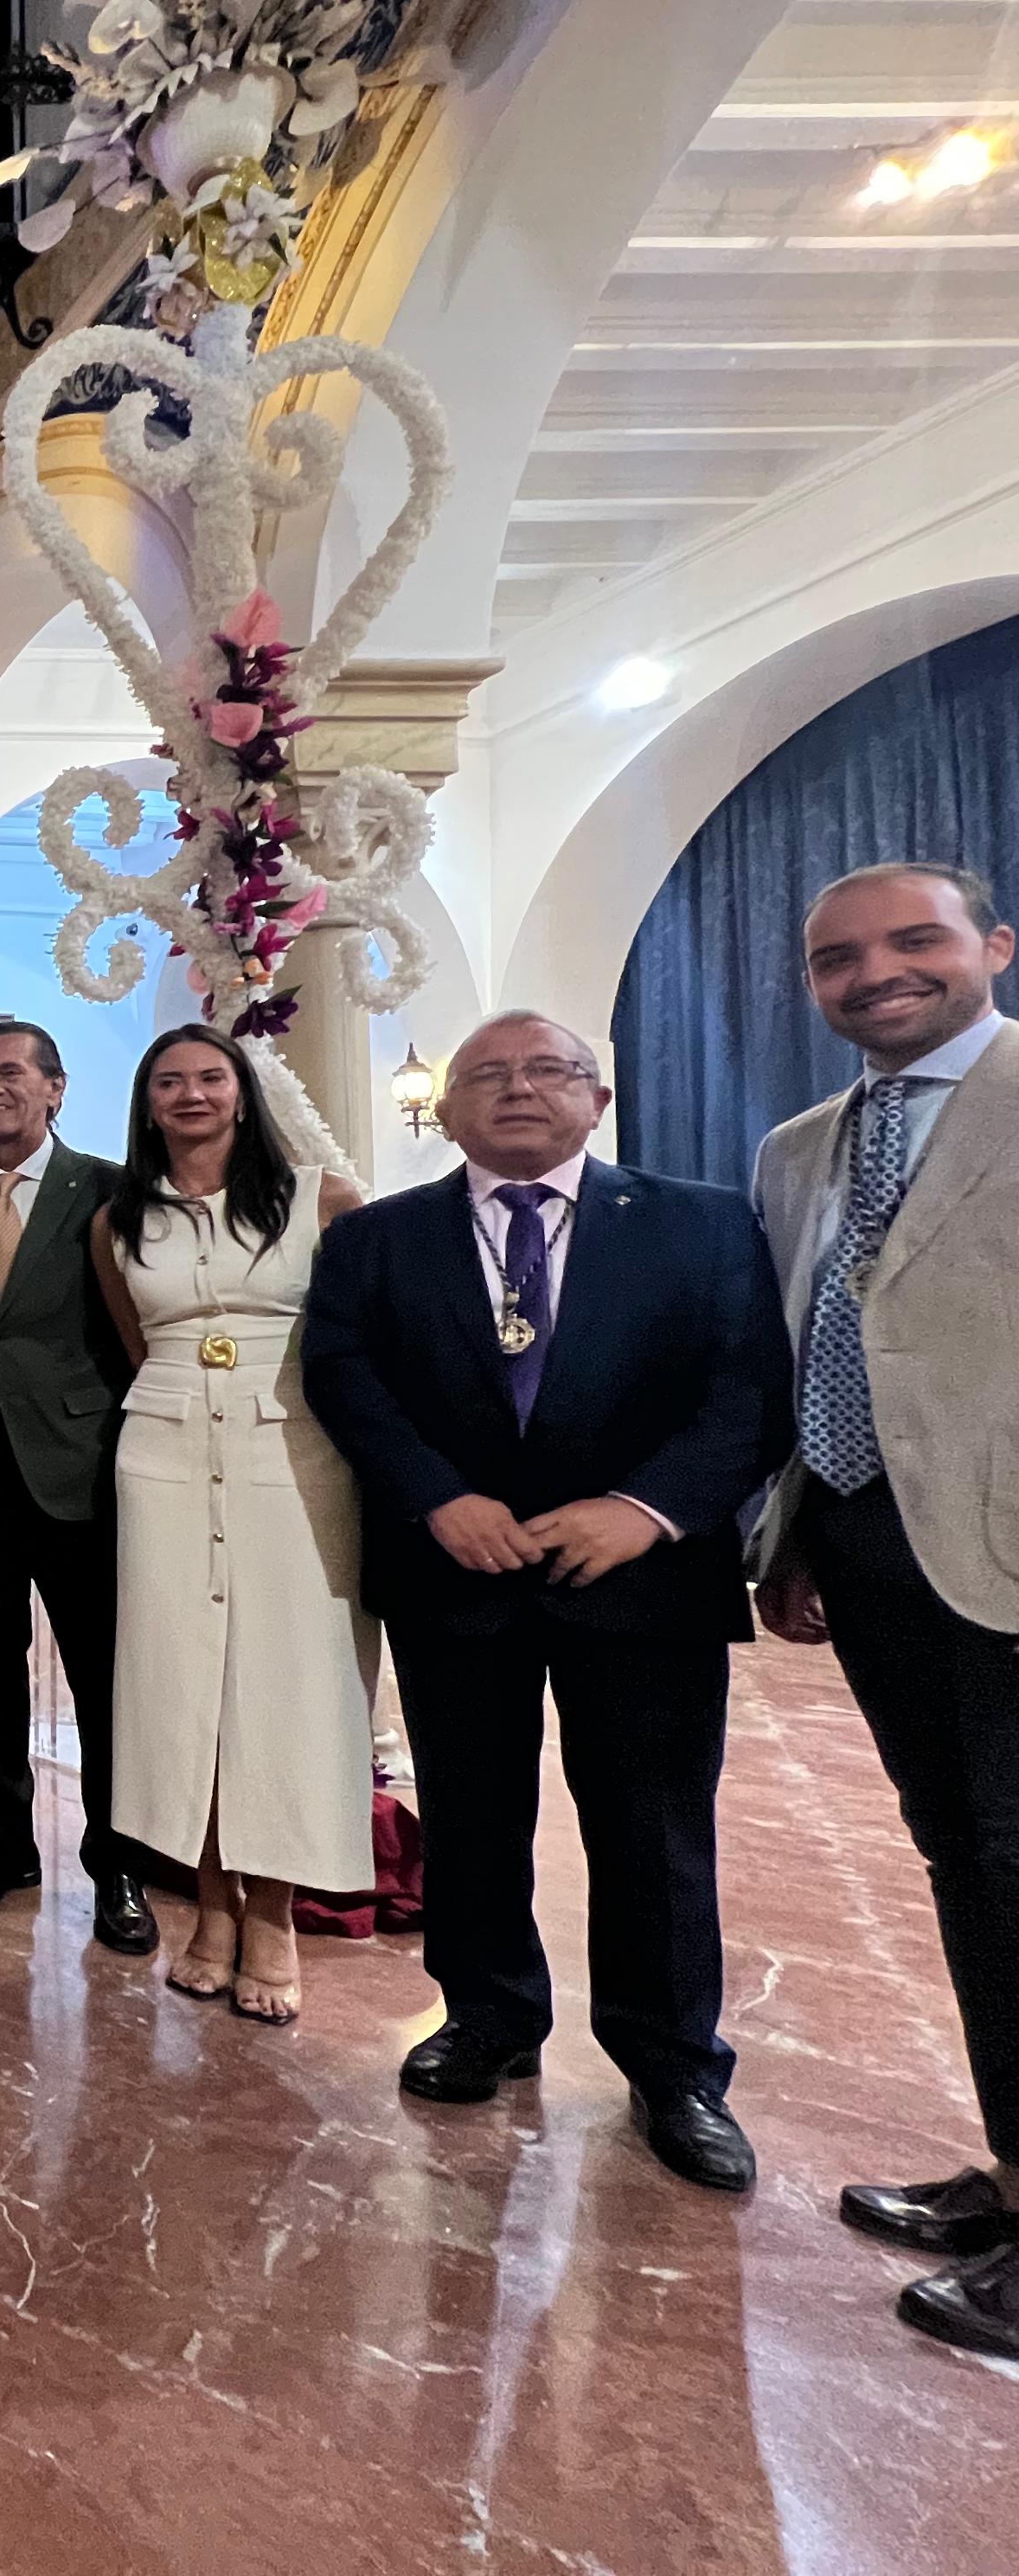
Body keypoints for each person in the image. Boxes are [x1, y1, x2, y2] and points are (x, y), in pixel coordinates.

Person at [304, 1011, 792, 2189]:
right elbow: (343, 1375)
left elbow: (748, 1391)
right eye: (487, 1075)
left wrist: (648, 1510)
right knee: (470, 1810)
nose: (516, 1089)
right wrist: (436, 1497)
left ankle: (674, 2067)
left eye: (547, 1071)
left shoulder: (704, 1222)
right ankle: (488, 2015)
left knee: (655, 1828)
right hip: (456, 1570)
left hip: (643, 1579)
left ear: (596, 1098)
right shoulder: (377, 1238)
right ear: (448, 1109)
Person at [750, 862, 1019, 2358]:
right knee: (964, 1856)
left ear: (993, 946)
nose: (876, 973)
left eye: (914, 941)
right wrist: (800, 1530)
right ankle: (1012, 2169)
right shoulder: (803, 1147)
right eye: (838, 957)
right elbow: (816, 1344)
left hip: (1007, 1550)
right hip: (867, 1547)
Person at [91, 1026, 372, 2025]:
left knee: (285, 1680)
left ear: (243, 1093)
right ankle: (211, 1903)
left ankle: (276, 1912)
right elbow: (137, 1340)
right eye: (169, 1081)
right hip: (164, 1449)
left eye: (211, 1077)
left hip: (291, 1449)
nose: (191, 1094)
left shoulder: (321, 1200)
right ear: (147, 1102)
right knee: (182, 1679)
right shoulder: (120, 1219)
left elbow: (356, 1336)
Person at [0, 1021, 157, 1956]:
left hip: (79, 1461)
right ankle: (2, 1842)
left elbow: (129, 1322)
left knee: (101, 1673)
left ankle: (118, 1864)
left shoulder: (109, 1188)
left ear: (55, 1087)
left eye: (11, 1072)